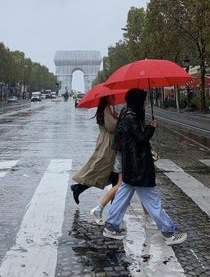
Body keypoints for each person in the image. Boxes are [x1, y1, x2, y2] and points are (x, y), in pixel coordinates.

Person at [103, 88, 187, 245]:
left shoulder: (126, 113)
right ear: (138, 101)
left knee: (122, 196)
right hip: (138, 167)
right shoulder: (131, 117)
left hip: (131, 165)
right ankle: (169, 232)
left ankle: (111, 225)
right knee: (153, 201)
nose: (146, 103)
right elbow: (141, 138)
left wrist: (146, 125)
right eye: (144, 100)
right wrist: (151, 127)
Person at [70, 95, 119, 204]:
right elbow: (112, 127)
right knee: (103, 169)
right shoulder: (106, 109)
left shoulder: (105, 109)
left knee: (110, 171)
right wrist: (117, 118)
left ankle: (79, 188)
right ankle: (79, 187)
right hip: (108, 143)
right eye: (112, 97)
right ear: (107, 98)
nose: (114, 98)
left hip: (106, 141)